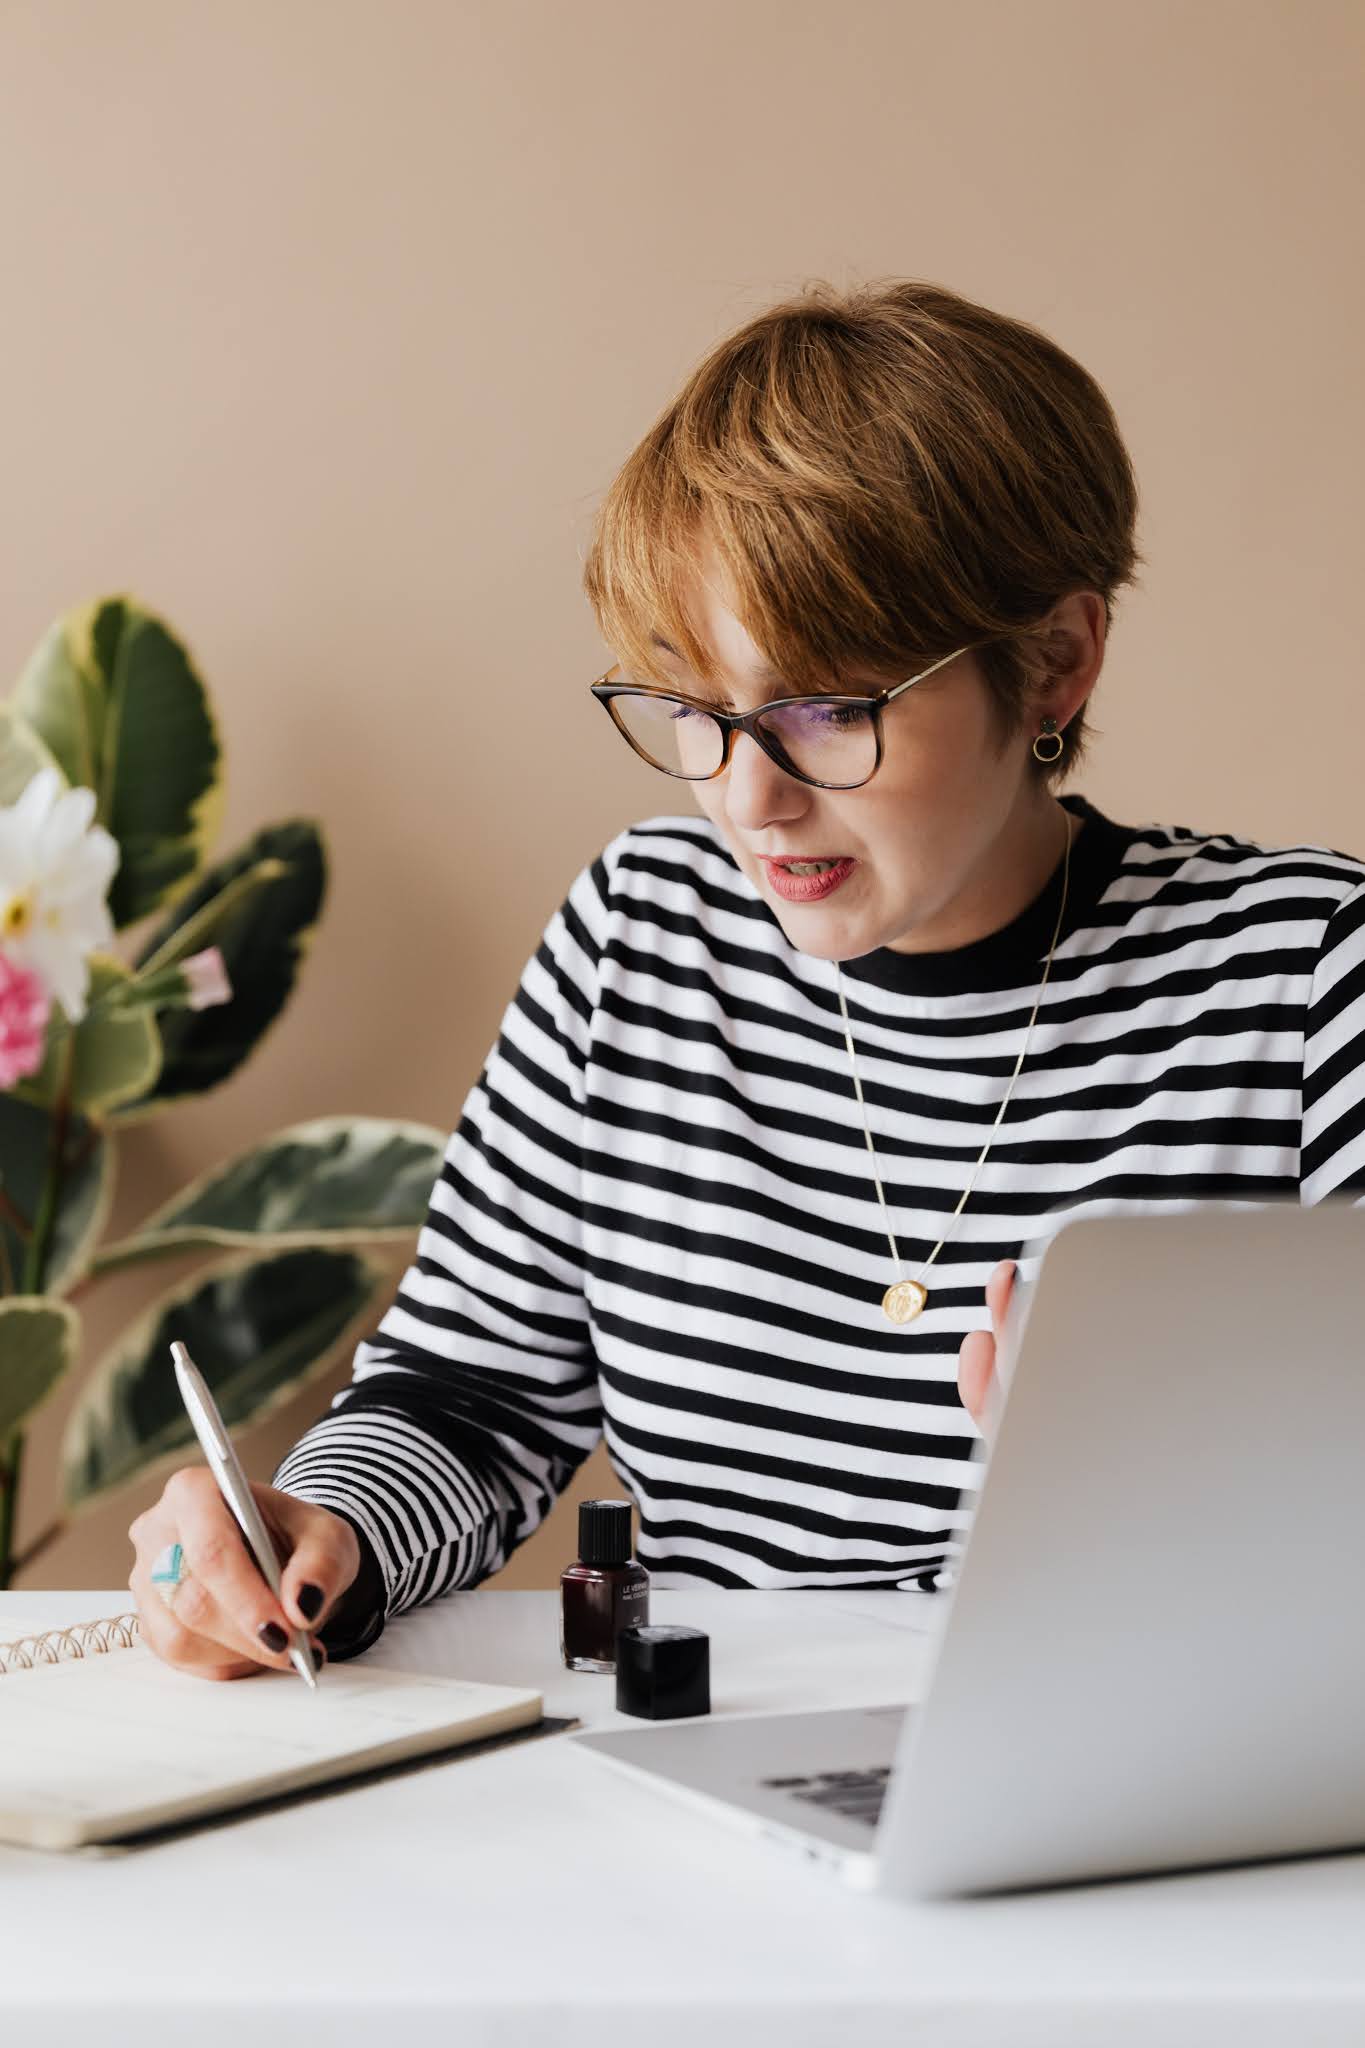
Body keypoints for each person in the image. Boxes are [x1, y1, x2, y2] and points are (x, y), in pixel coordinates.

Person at [128, 278, 1365, 1682]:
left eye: (826, 712)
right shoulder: (638, 934)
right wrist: (318, 1527)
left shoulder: (1309, 978)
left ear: (1055, 665)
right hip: (713, 1787)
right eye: (696, 713)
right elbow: (468, 1398)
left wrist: (1169, 1468)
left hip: (1145, 1784)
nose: (747, 799)